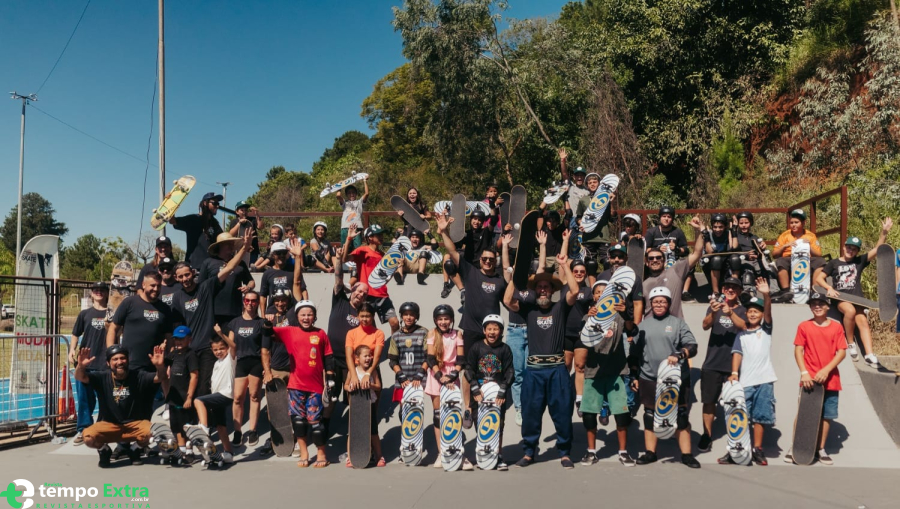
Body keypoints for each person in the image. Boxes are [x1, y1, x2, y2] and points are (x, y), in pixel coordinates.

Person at [503, 249, 580, 469]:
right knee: (530, 414)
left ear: (552, 290)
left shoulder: (560, 308)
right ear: (535, 290)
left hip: (557, 371)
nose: (543, 289)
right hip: (534, 372)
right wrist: (516, 275)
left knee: (562, 413)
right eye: (539, 287)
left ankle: (564, 452)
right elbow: (507, 300)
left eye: (546, 286)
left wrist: (564, 266)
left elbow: (575, 290)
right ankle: (529, 452)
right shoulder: (528, 309)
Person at [436, 212, 509, 417]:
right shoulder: (470, 272)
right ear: (481, 260)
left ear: (494, 261)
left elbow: (509, 282)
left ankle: (489, 403)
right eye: (484, 259)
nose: (487, 262)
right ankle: (468, 407)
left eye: (490, 259)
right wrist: (444, 232)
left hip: (492, 334)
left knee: (491, 370)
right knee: (468, 370)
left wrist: (505, 248)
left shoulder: (500, 280)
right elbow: (452, 251)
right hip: (470, 329)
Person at [171, 230, 251, 397]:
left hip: (206, 345)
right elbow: (176, 323)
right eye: (181, 277)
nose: (185, 279)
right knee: (187, 383)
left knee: (204, 385)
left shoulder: (205, 288)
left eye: (187, 275)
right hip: (189, 346)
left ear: (193, 273)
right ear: (176, 278)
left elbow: (230, 268)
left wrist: (244, 248)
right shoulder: (177, 297)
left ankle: (211, 408)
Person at [629, 286, 700, 468]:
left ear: (668, 303)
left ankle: (686, 455)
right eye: (655, 302)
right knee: (650, 415)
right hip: (649, 377)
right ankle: (650, 453)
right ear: (651, 304)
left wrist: (680, 354)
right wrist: (634, 376)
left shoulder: (678, 323)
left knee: (681, 416)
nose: (659, 304)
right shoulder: (643, 325)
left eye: (662, 301)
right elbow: (634, 354)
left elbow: (692, 346)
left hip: (674, 378)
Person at [75, 343, 169, 467]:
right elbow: (80, 377)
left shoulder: (138, 376)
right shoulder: (102, 377)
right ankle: (104, 450)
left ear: (128, 360)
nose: (120, 362)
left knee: (154, 431)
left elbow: (161, 377)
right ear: (108, 363)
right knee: (88, 437)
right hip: (109, 425)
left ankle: (135, 449)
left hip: (134, 425)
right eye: (115, 359)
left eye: (123, 358)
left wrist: (160, 366)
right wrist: (81, 366)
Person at [574, 281, 636, 467]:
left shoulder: (618, 315)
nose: (600, 295)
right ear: (593, 297)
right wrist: (590, 320)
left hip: (616, 371)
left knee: (622, 415)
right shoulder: (588, 316)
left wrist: (626, 313)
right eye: (597, 292)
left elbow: (631, 329)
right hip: (593, 372)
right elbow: (583, 340)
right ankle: (591, 452)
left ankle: (623, 452)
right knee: (589, 415)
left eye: (604, 292)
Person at [814, 218, 892, 367]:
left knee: (862, 321)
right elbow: (819, 278)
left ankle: (869, 354)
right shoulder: (834, 263)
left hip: (857, 299)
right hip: (840, 298)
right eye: (849, 248)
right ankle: (850, 343)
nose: (851, 251)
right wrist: (829, 288)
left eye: (854, 249)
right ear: (844, 247)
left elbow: (877, 250)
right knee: (849, 311)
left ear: (857, 252)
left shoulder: (859, 261)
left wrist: (884, 232)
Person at [266, 300, 335, 468]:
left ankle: (321, 453)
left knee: (316, 423)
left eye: (309, 315)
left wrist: (330, 378)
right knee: (298, 421)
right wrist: (267, 322)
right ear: (297, 316)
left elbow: (328, 357)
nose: (306, 318)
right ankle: (304, 453)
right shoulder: (290, 331)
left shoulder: (320, 333)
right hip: (296, 385)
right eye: (303, 315)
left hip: (316, 387)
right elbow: (267, 333)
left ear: (314, 316)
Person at [785, 291, 847, 466]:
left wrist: (826, 370)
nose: (817, 306)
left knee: (827, 415)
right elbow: (798, 350)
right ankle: (796, 447)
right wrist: (804, 372)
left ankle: (820, 449)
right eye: (813, 304)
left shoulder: (836, 327)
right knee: (804, 413)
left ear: (827, 306)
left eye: (821, 303)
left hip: (831, 380)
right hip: (809, 379)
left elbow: (841, 352)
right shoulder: (804, 326)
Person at [723, 278, 775, 466]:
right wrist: (734, 373)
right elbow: (737, 354)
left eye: (756, 311)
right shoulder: (741, 334)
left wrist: (766, 295)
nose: (753, 314)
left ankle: (757, 449)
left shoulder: (766, 329)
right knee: (739, 415)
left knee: (760, 417)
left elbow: (768, 311)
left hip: (765, 381)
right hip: (745, 382)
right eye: (750, 311)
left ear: (761, 315)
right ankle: (736, 449)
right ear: (746, 314)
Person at [697, 277, 747, 453]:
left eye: (734, 287)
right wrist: (713, 312)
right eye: (727, 287)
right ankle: (707, 435)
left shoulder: (743, 310)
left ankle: (735, 438)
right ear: (723, 290)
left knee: (735, 403)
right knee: (709, 401)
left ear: (739, 291)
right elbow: (705, 325)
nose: (730, 290)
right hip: (712, 363)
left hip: (734, 366)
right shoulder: (714, 307)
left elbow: (745, 327)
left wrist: (730, 313)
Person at [465, 314, 514, 471]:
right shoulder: (476, 347)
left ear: (501, 331)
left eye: (496, 329)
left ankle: (498, 455)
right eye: (489, 329)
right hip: (479, 393)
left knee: (497, 424)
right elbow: (468, 369)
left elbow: (510, 372)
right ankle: (483, 453)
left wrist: (503, 390)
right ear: (484, 330)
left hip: (497, 394)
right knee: (480, 423)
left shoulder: (504, 349)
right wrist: (474, 387)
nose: (492, 332)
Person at [215, 290, 265, 447]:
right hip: (240, 363)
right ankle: (238, 431)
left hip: (256, 362)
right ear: (244, 302)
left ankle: (252, 430)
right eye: (247, 300)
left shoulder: (261, 323)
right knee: (237, 397)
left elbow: (265, 348)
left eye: (253, 301)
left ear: (258, 303)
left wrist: (267, 367)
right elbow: (231, 346)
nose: (250, 303)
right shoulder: (235, 323)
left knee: (254, 396)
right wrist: (221, 336)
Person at [107, 272, 175, 373]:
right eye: (152, 285)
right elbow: (113, 328)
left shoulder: (165, 309)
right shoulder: (129, 303)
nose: (156, 289)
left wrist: (169, 362)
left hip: (154, 365)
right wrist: (111, 354)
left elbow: (169, 338)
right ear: (143, 285)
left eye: (158, 286)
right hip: (129, 364)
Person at [188, 328, 238, 465]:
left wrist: (221, 334)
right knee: (221, 426)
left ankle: (203, 427)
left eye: (222, 348)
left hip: (225, 394)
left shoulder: (230, 359)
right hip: (216, 396)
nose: (218, 352)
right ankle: (228, 453)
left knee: (198, 400)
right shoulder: (216, 363)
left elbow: (233, 346)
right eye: (215, 350)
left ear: (227, 348)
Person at [425, 304, 466, 468]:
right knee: (438, 414)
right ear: (435, 320)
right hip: (436, 374)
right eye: (440, 319)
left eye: (446, 319)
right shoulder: (432, 333)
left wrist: (452, 376)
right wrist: (440, 377)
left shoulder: (458, 334)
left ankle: (456, 451)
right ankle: (441, 453)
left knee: (453, 413)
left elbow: (461, 360)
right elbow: (430, 359)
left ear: (451, 320)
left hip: (451, 375)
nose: (443, 322)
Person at [642, 215, 706, 320]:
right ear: (647, 262)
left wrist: (698, 231)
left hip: (674, 325)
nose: (655, 260)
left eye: (658, 257)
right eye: (651, 258)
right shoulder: (643, 283)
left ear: (664, 261)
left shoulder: (675, 272)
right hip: (651, 326)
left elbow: (697, 253)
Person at [70, 282, 110, 446]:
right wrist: (72, 350)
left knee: (106, 400)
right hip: (85, 364)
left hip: (105, 364)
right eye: (96, 290)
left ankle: (103, 428)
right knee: (84, 400)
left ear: (107, 293)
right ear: (92, 294)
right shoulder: (84, 314)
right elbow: (75, 333)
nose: (99, 292)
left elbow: (119, 332)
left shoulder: (112, 314)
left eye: (102, 290)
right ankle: (84, 429)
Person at [500, 233, 527, 426]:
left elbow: (542, 267)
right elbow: (505, 268)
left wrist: (542, 246)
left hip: (532, 331)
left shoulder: (531, 283)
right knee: (517, 373)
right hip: (515, 330)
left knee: (531, 371)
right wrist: (505, 246)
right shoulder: (511, 284)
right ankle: (519, 408)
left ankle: (531, 404)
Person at [200, 232, 255, 329]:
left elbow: (251, 281)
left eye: (232, 243)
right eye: (227, 243)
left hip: (234, 310)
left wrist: (248, 287)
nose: (231, 245)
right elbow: (201, 286)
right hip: (213, 311)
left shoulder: (240, 263)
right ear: (219, 246)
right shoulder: (208, 262)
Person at [387, 303, 429, 426]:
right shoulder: (396, 336)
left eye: (412, 315)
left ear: (416, 316)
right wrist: (400, 375)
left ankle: (416, 432)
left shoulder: (423, 332)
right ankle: (406, 431)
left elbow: (429, 357)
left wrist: (421, 373)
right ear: (401, 316)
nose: (409, 317)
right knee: (403, 408)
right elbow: (392, 360)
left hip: (419, 378)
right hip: (403, 378)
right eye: (406, 314)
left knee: (416, 408)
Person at [771, 209, 826, 300]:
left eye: (796, 222)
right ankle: (786, 291)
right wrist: (785, 246)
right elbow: (774, 254)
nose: (793, 225)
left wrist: (809, 246)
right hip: (789, 258)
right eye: (791, 222)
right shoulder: (784, 235)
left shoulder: (810, 235)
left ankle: (815, 291)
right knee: (780, 261)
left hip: (806, 258)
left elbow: (818, 254)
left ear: (803, 223)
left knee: (820, 262)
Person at [440, 209, 494, 301]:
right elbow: (452, 245)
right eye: (475, 219)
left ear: (482, 222)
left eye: (479, 220)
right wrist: (446, 227)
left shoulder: (485, 232)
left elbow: (493, 220)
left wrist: (493, 206)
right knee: (448, 264)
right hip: (467, 265)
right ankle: (462, 290)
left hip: (480, 266)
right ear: (471, 220)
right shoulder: (466, 234)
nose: (476, 222)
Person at [344, 344, 384, 467]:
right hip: (356, 407)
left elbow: (379, 387)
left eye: (370, 355)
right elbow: (345, 386)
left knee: (373, 432)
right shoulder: (353, 372)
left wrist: (370, 385)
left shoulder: (373, 371)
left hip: (369, 405)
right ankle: (350, 457)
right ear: (357, 358)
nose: (368, 358)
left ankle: (379, 456)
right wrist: (349, 388)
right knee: (352, 432)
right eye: (365, 356)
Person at [163, 326, 199, 462]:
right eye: (176, 339)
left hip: (185, 397)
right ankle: (181, 450)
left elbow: (194, 376)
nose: (178, 341)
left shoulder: (191, 354)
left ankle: (189, 451)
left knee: (187, 426)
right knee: (176, 426)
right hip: (174, 397)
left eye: (182, 339)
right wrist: (161, 354)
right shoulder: (173, 354)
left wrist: (189, 397)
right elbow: (162, 366)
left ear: (189, 339)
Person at [645, 206, 692, 301]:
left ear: (672, 219)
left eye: (669, 217)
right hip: (657, 261)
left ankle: (685, 292)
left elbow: (686, 250)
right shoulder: (651, 232)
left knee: (689, 264)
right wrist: (657, 249)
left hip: (674, 261)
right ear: (660, 217)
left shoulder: (678, 232)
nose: (666, 219)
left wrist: (677, 249)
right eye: (664, 216)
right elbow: (646, 249)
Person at [574, 172, 617, 276]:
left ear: (599, 183)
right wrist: (581, 224)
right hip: (588, 237)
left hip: (603, 237)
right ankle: (592, 285)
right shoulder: (583, 200)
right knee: (590, 264)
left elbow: (613, 218)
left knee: (607, 262)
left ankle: (606, 283)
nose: (592, 184)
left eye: (595, 182)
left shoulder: (606, 198)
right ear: (587, 185)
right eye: (590, 183)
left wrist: (611, 202)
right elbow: (578, 217)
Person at [170, 191, 224, 269]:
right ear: (205, 203)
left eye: (218, 204)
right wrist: (171, 203)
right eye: (214, 203)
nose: (217, 206)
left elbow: (223, 241)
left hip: (212, 266)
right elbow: (172, 221)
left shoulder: (215, 223)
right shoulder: (194, 219)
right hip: (195, 267)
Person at [344, 303, 385, 397]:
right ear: (358, 316)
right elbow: (349, 356)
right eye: (362, 316)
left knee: (373, 402)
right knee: (355, 402)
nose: (364, 319)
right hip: (355, 369)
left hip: (372, 369)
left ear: (373, 317)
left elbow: (377, 356)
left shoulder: (378, 333)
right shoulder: (351, 333)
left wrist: (368, 373)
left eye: (368, 316)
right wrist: (354, 375)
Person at [259, 241, 306, 311]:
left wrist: (305, 307)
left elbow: (303, 290)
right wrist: (263, 315)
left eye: (284, 253)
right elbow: (263, 296)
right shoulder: (267, 273)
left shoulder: (294, 270)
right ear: (272, 255)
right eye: (278, 253)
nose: (281, 256)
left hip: (291, 310)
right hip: (273, 312)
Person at [702, 213, 738, 296]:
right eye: (715, 227)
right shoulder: (708, 234)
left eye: (720, 227)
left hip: (725, 262)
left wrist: (734, 230)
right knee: (716, 259)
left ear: (725, 226)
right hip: (711, 262)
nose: (717, 230)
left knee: (735, 259)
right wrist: (705, 235)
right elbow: (709, 251)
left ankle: (734, 288)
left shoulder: (728, 233)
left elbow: (734, 247)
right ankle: (716, 292)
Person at [558, 149, 589, 229]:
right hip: (571, 219)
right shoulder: (570, 186)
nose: (579, 178)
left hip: (583, 220)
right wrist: (562, 160)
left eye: (581, 176)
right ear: (574, 177)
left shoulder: (588, 191)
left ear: (584, 177)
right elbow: (564, 174)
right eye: (577, 175)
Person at [337, 179, 369, 250]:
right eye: (349, 193)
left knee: (357, 249)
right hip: (345, 228)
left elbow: (366, 193)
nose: (351, 194)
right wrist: (339, 186)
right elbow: (338, 195)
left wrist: (365, 181)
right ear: (346, 195)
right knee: (344, 248)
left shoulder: (359, 202)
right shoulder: (345, 203)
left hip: (356, 227)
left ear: (356, 194)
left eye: (353, 192)